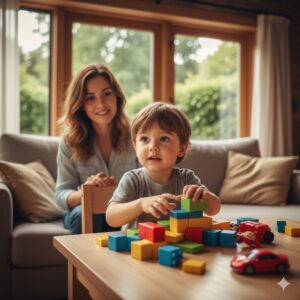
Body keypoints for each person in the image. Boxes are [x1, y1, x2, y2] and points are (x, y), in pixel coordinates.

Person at [106, 102, 220, 231]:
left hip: (178, 248)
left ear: (182, 148)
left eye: (164, 139)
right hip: (136, 248)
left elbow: (214, 209)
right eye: (144, 139)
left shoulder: (186, 178)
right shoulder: (132, 179)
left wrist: (204, 195)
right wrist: (141, 204)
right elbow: (111, 217)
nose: (153, 147)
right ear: (135, 146)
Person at [56, 64, 138, 234]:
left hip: (123, 210)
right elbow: (61, 196)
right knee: (87, 216)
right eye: (90, 98)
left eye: (107, 94)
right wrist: (86, 191)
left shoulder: (136, 137)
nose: (101, 104)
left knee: (129, 218)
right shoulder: (69, 142)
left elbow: (148, 182)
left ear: (117, 96)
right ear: (81, 105)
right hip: (83, 211)